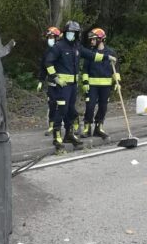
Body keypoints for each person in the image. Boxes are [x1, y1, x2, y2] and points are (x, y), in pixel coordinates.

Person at [44, 20, 105, 152]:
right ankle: (57, 135)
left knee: (71, 110)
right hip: (62, 86)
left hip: (73, 86)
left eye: (74, 33)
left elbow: (91, 55)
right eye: (70, 32)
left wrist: (106, 57)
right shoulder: (59, 46)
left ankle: (69, 134)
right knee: (62, 109)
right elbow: (48, 63)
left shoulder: (77, 47)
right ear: (66, 33)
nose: (72, 34)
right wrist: (55, 77)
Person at [79, 28, 118, 140]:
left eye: (93, 39)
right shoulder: (90, 53)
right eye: (91, 40)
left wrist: (117, 82)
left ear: (100, 39)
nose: (91, 41)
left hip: (106, 86)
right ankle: (87, 128)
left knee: (103, 107)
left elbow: (116, 70)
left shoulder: (111, 53)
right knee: (90, 106)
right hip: (92, 85)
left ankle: (99, 127)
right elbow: (85, 70)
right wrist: (85, 82)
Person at [37, 27, 62, 135]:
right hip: (52, 83)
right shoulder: (47, 52)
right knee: (52, 104)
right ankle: (52, 126)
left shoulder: (62, 50)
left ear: (57, 38)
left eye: (52, 37)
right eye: (49, 37)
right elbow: (44, 67)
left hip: (63, 83)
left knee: (65, 106)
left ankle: (72, 125)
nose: (50, 39)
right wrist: (40, 81)